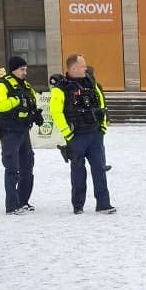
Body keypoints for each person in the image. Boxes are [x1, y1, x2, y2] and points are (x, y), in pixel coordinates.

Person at [49, 53, 116, 215]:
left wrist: (102, 128)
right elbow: (55, 112)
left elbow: (101, 104)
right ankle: (78, 206)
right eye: (83, 66)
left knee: (99, 169)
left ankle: (103, 204)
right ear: (73, 68)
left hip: (94, 134)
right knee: (78, 172)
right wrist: (68, 134)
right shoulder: (61, 88)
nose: (86, 68)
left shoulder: (91, 83)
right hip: (76, 136)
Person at [0, 55, 43, 214]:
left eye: (26, 69)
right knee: (12, 168)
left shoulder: (25, 85)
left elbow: (32, 101)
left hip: (23, 131)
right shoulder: (3, 85)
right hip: (10, 132)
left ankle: (23, 201)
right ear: (13, 69)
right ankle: (11, 205)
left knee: (27, 166)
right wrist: (15, 101)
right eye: (22, 69)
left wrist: (35, 114)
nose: (25, 72)